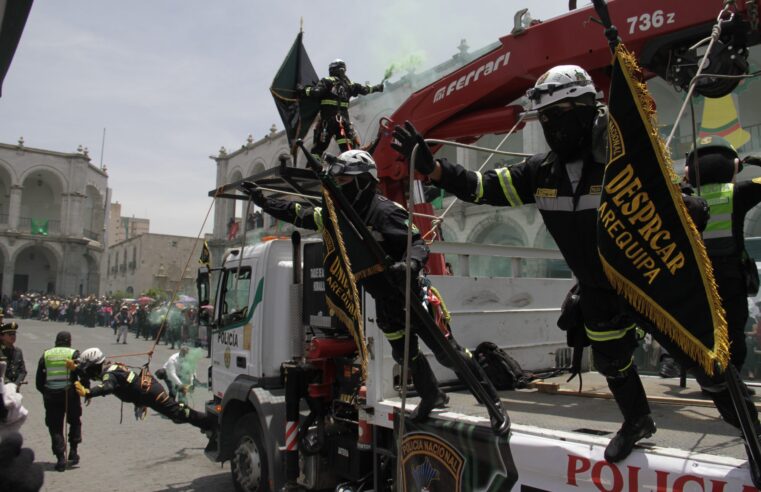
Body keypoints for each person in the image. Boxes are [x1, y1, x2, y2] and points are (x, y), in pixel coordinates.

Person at [391, 64, 760, 463]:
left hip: (647, 282)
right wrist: (436, 170)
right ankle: (637, 421)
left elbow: (681, 203)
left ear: (589, 109)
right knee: (611, 360)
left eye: (562, 114)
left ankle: (753, 437)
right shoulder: (540, 171)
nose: (554, 126)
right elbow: (484, 187)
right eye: (546, 118)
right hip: (596, 287)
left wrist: (687, 207)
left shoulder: (624, 162)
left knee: (707, 364)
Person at [239, 149, 505, 425]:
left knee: (447, 353)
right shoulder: (337, 216)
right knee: (405, 354)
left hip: (409, 295)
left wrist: (410, 265)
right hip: (384, 301)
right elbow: (299, 213)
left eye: (344, 181)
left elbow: (417, 244)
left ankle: (490, 398)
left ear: (363, 181)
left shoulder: (385, 211)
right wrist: (263, 199)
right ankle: (432, 395)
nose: (338, 186)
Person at [684, 136, 761, 373]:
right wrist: (751, 162)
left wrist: (685, 181)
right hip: (732, 275)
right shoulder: (738, 192)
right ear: (734, 166)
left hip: (699, 277)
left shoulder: (686, 197)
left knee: (705, 327)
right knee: (734, 327)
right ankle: (733, 377)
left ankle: (709, 376)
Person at [72, 347, 214, 431]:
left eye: (89, 369)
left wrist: (89, 392)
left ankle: (210, 423)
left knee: (179, 414)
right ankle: (205, 422)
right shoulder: (108, 369)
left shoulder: (109, 374)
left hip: (151, 392)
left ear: (95, 365)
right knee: (177, 414)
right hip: (146, 392)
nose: (89, 373)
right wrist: (76, 369)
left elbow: (107, 387)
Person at [300, 59, 384, 155]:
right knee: (348, 150)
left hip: (328, 122)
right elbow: (365, 89)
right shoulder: (350, 85)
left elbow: (316, 92)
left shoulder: (327, 81)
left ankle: (314, 168)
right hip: (344, 123)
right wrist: (378, 87)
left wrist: (303, 90)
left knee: (317, 150)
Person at [35, 331, 84, 471]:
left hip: (51, 395)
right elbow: (82, 372)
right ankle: (73, 452)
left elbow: (39, 381)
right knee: (74, 421)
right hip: (70, 394)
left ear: (56, 341)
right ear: (69, 341)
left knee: (55, 427)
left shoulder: (46, 355)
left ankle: (60, 458)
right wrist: (85, 390)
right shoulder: (74, 354)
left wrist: (46, 392)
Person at [0, 322, 26, 390]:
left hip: (14, 390)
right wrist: (8, 383)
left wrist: (16, 384)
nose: (13, 336)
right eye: (9, 334)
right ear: (1, 336)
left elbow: (23, 371)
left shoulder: (18, 351)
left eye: (14, 334)